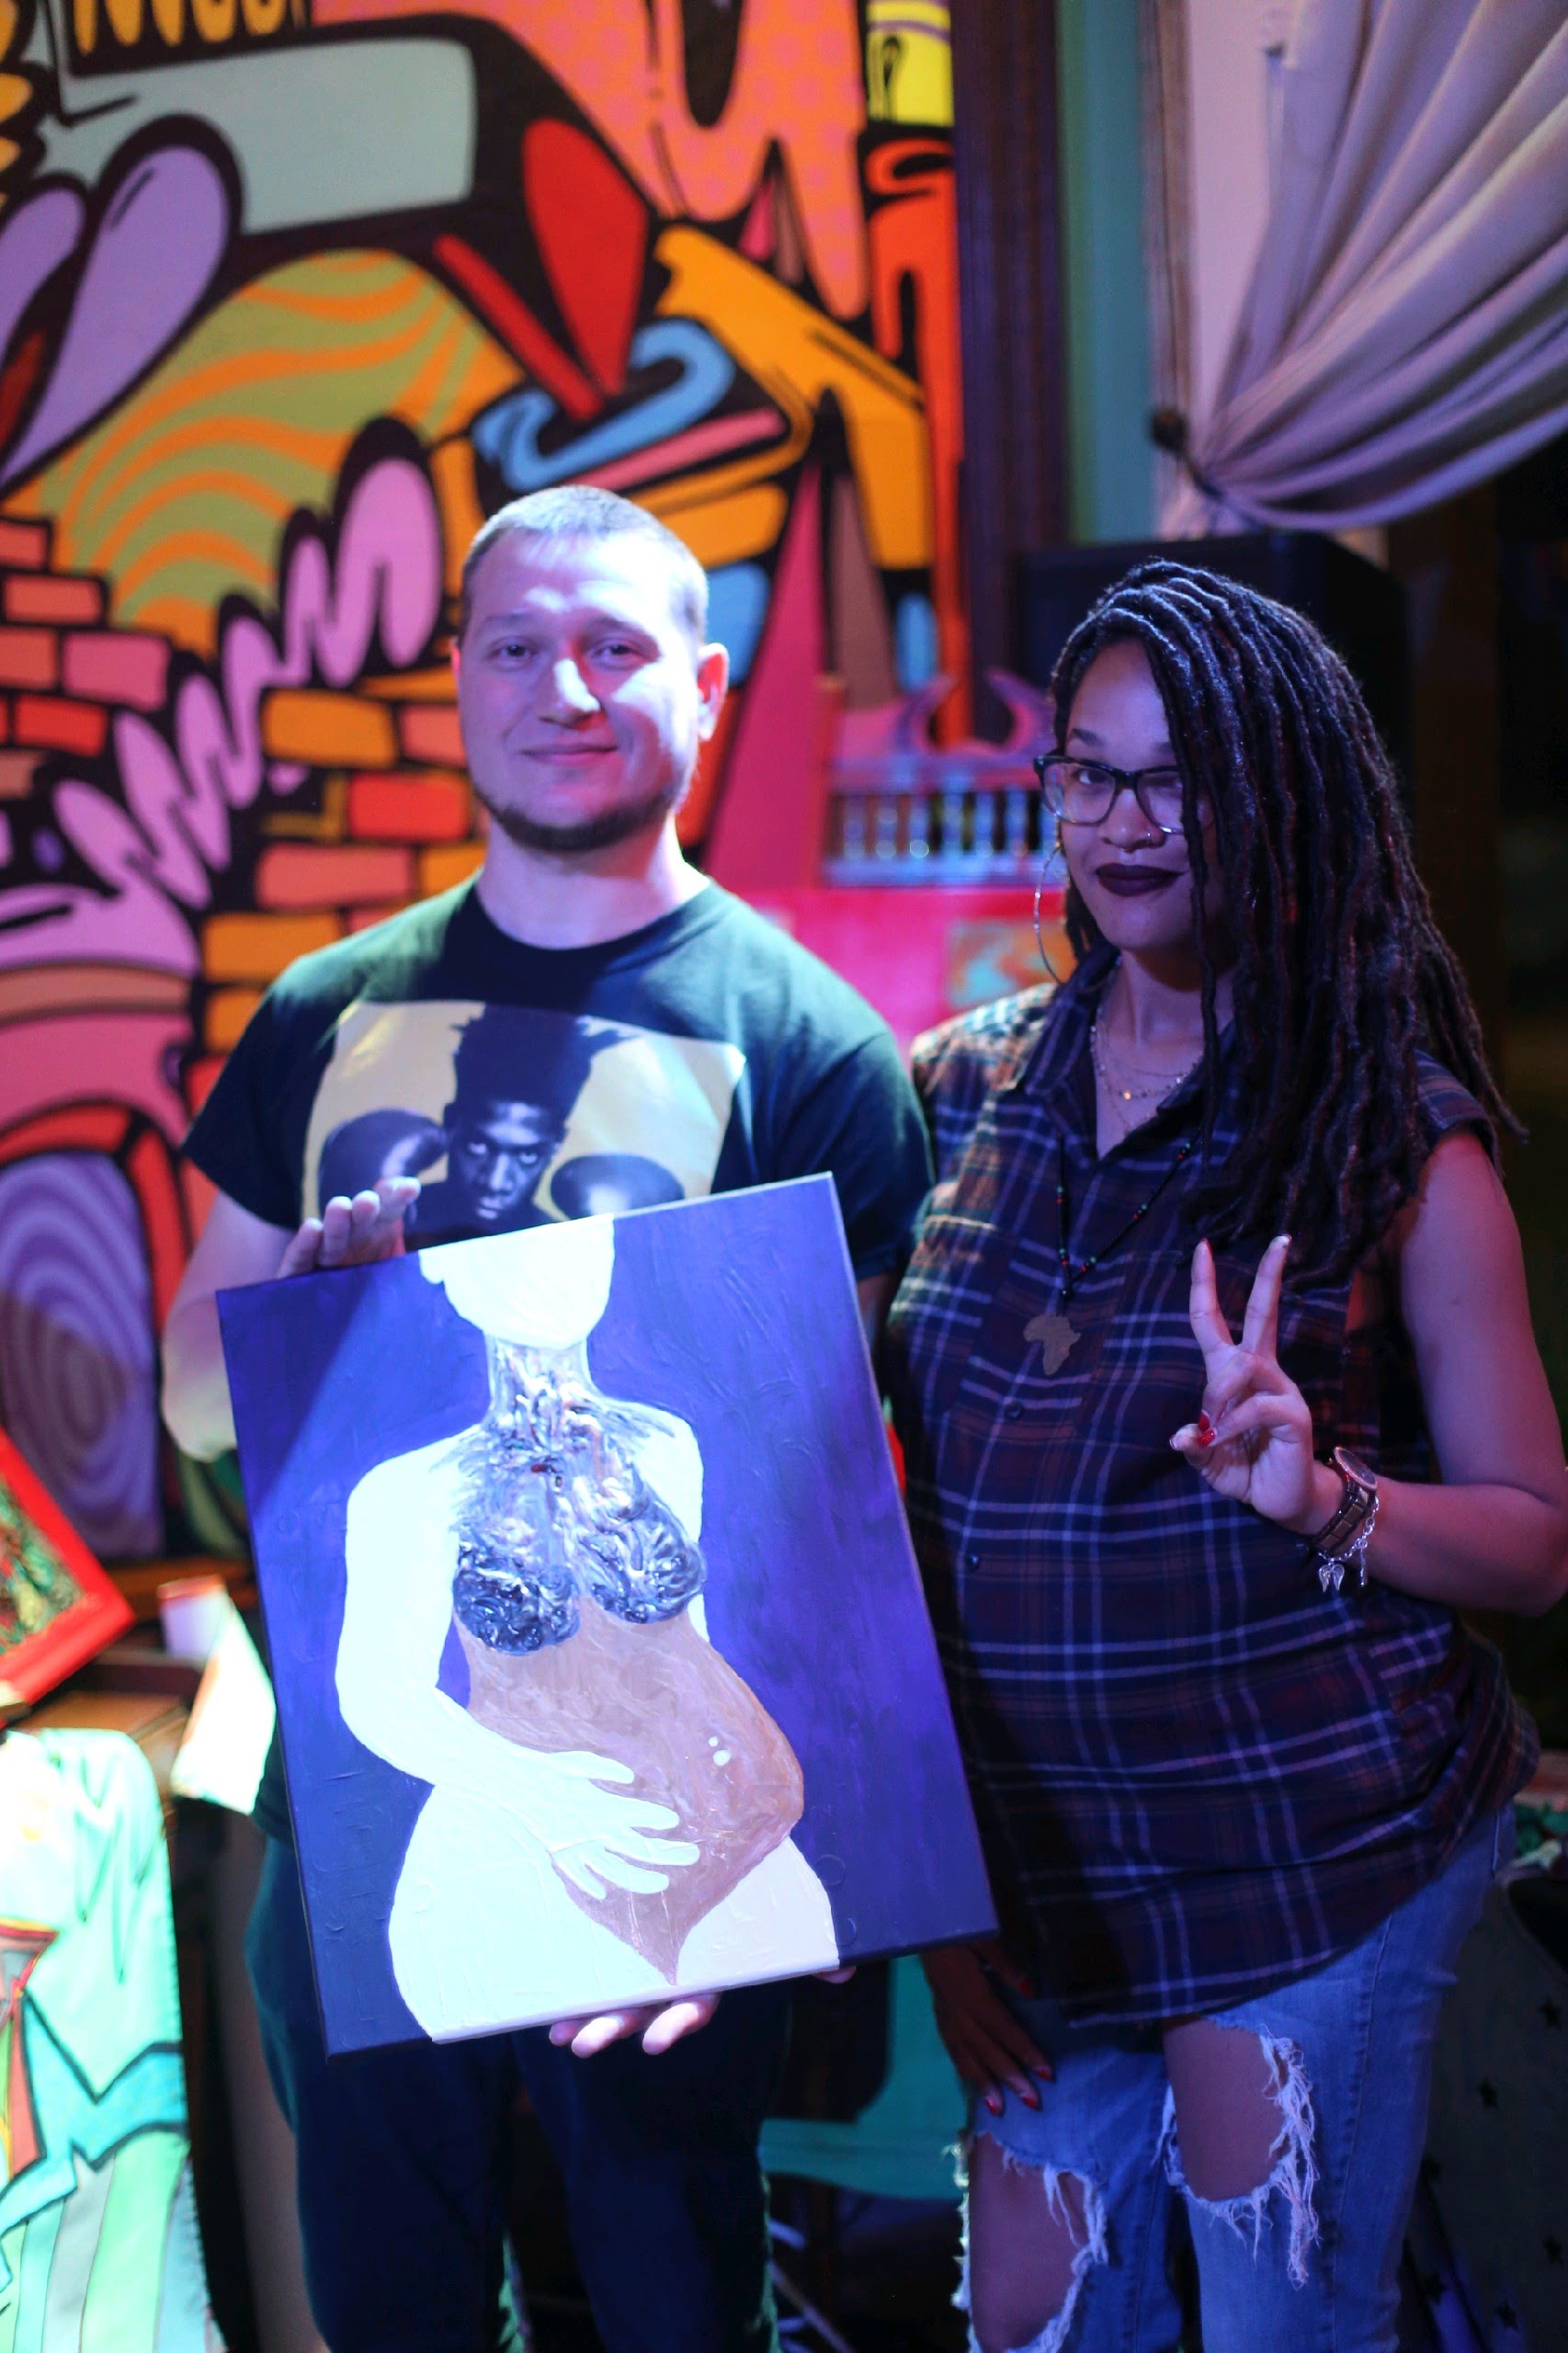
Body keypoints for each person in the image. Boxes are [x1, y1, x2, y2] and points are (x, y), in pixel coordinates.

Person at [161, 483, 930, 2353]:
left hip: (670, 1814)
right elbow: (188, 1397)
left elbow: (830, 1506)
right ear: (459, 680)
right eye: (516, 644)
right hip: (364, 1807)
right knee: (390, 2284)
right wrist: (314, 1324)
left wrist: (801, 1847)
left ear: (704, 687)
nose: (562, 686)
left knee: (672, 2282)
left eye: (612, 645)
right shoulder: (325, 1012)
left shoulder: (811, 1042)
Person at [882, 560, 1568, 2353]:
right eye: (1089, 772)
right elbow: (843, 1505)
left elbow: (1531, 1539)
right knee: (1037, 2320)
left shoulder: (1391, 1133)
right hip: (1044, 1875)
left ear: (1279, 794)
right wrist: (931, 1885)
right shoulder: (958, 1089)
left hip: (1305, 1851)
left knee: (1280, 2324)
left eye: (1178, 779)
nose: (1126, 823)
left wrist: (1326, 1496)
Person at [341, 1213, 837, 2040]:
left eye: (574, 1235)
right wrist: (542, 1797)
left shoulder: (667, 1445)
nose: (547, 1258)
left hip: (716, 1841)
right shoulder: (410, 1492)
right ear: (444, 1271)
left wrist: (735, 1791)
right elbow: (378, 1694)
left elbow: (684, 1646)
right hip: (521, 1851)